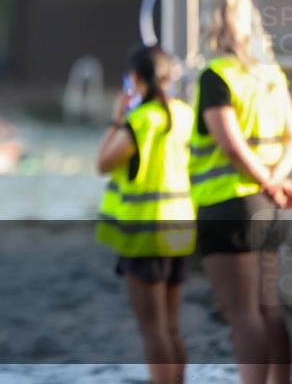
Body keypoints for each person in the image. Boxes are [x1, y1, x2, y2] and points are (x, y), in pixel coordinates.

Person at [189, 0, 292, 384]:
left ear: (212, 22)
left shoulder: (215, 75)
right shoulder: (270, 74)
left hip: (229, 206)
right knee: (269, 309)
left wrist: (263, 181)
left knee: (242, 315)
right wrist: (275, 181)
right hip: (269, 209)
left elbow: (232, 147)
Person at [95, 45, 194, 384]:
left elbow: (103, 163)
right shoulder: (185, 115)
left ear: (134, 79)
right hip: (180, 231)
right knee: (171, 327)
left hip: (144, 235)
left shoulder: (141, 120)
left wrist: (115, 118)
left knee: (153, 331)